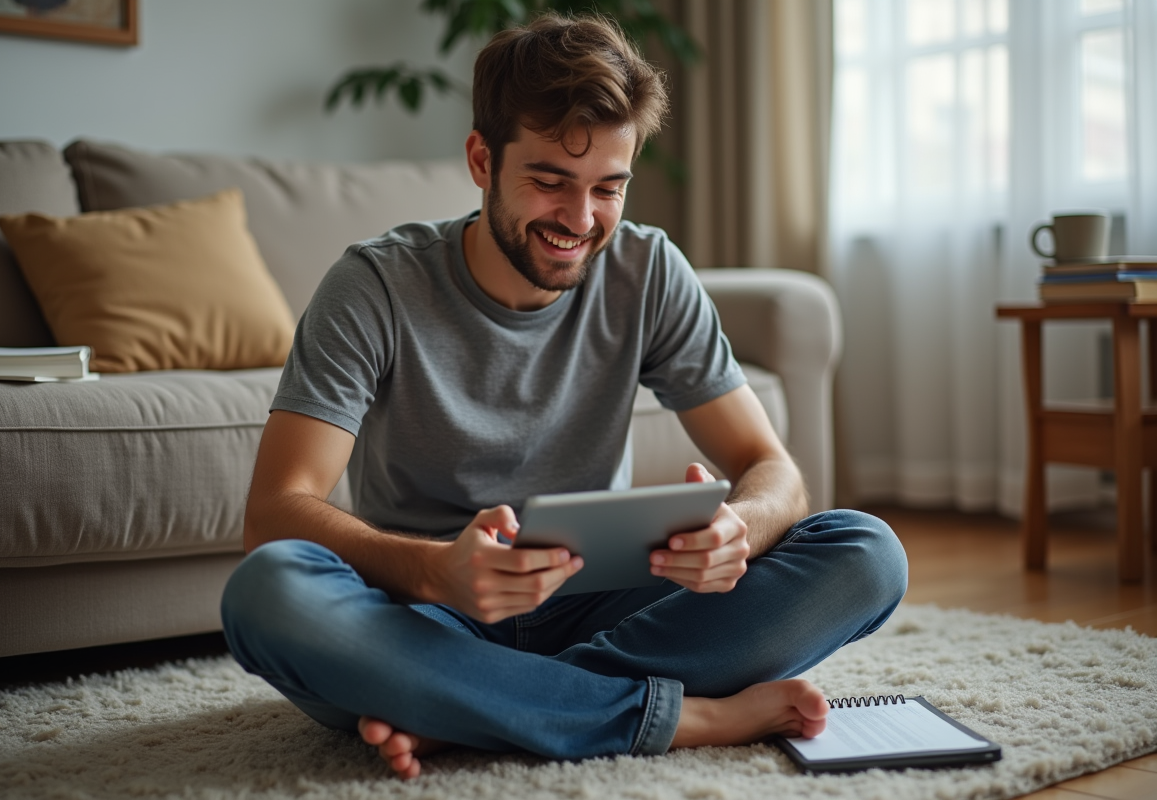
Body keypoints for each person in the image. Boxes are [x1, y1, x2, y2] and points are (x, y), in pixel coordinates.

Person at [221, 13, 908, 781]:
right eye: (549, 182)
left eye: (607, 189)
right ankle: (677, 715)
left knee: (866, 552)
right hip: (432, 616)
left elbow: (769, 465)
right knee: (267, 593)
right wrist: (438, 571)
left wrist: (739, 529)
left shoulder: (649, 271)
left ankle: (478, 710)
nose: (580, 222)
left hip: (606, 601)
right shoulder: (375, 286)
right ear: (482, 159)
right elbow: (274, 514)